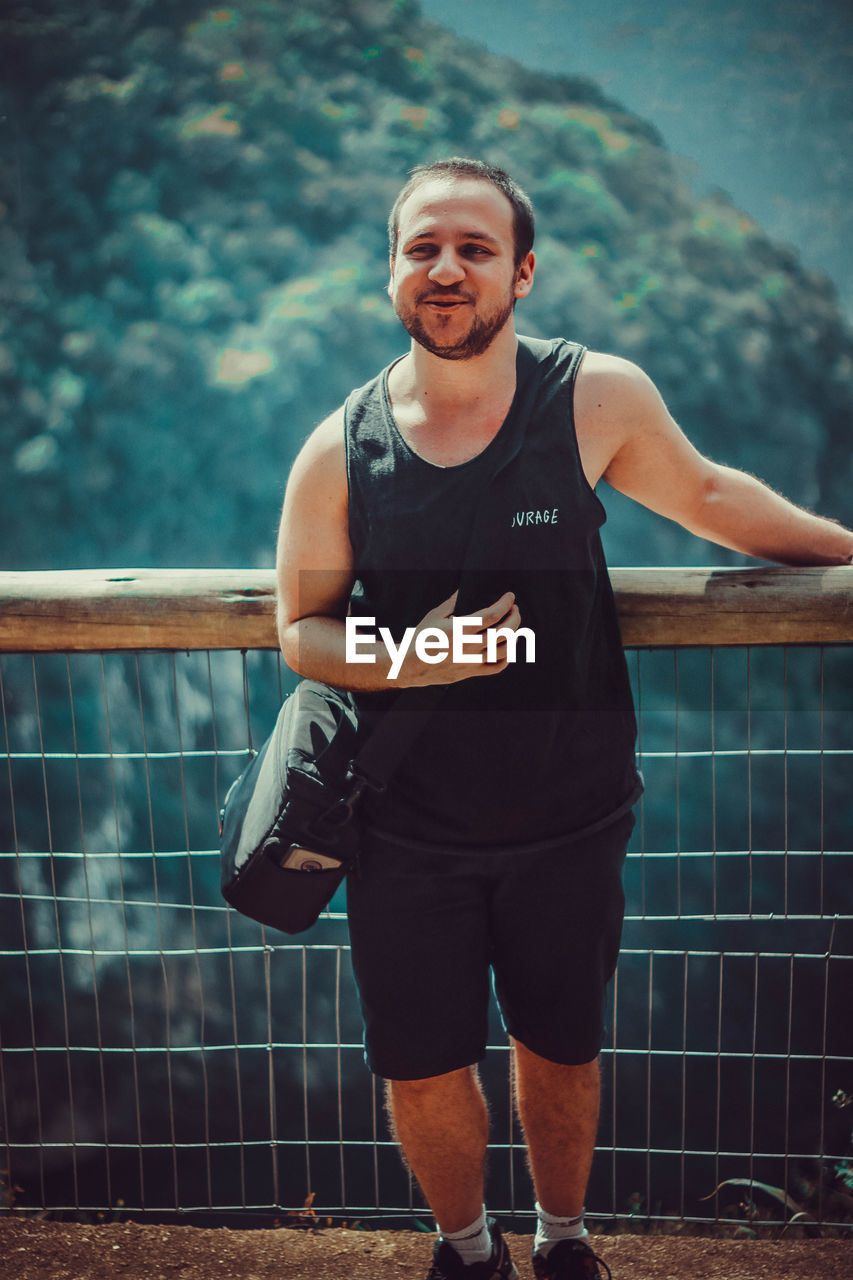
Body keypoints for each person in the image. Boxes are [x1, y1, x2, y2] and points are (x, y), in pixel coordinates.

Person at [275, 157, 853, 1280]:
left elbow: (717, 496)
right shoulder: (338, 448)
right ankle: (466, 1249)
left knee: (561, 1042)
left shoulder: (592, 397)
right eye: (422, 248)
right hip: (402, 827)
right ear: (390, 274)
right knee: (423, 1061)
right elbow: (299, 628)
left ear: (521, 272)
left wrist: (849, 551)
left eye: (474, 249)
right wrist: (415, 655)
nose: (446, 269)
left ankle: (564, 1240)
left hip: (572, 809)